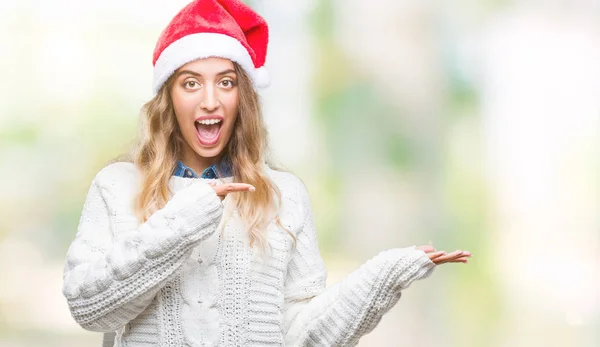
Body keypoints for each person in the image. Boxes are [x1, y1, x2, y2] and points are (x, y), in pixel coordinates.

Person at [61, 0, 471, 346]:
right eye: (191, 83)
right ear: (168, 96)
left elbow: (301, 335)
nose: (209, 100)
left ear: (243, 96)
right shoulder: (117, 187)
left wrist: (385, 275)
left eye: (225, 82)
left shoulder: (283, 194)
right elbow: (88, 307)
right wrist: (186, 219)